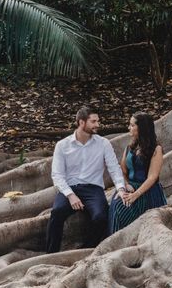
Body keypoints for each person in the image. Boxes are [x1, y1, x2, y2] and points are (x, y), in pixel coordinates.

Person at [46, 106, 127, 253]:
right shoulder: (62, 145)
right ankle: (51, 254)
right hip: (70, 188)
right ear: (81, 122)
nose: (97, 125)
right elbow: (57, 175)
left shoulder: (103, 143)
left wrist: (120, 188)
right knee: (57, 212)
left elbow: (114, 168)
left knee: (101, 217)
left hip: (93, 189)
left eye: (98, 121)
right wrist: (70, 195)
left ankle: (85, 251)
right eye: (93, 121)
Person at [109, 112, 167, 234]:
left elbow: (152, 177)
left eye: (132, 125)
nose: (129, 128)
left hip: (147, 191)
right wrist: (124, 186)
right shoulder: (129, 147)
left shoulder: (156, 149)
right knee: (115, 204)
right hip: (129, 187)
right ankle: (114, 241)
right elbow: (123, 170)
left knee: (122, 209)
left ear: (141, 127)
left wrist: (135, 195)